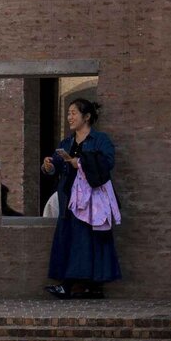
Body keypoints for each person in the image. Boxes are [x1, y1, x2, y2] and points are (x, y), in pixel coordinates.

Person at [42, 98, 121, 299]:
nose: (69, 117)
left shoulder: (100, 140)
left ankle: (89, 286)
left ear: (86, 116)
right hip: (69, 199)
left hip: (92, 201)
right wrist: (49, 166)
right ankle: (70, 284)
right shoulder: (66, 143)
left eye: (73, 113)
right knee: (69, 239)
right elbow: (56, 167)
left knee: (93, 240)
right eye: (68, 113)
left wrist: (80, 162)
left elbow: (108, 162)